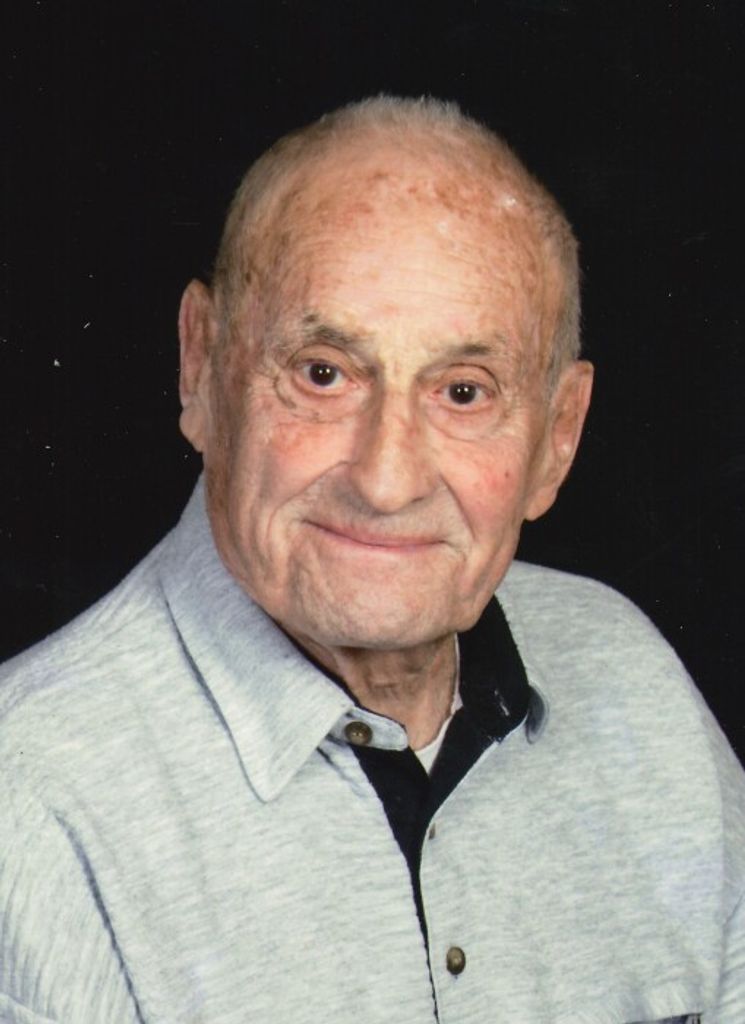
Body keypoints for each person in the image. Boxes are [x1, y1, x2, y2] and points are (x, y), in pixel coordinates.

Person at [0, 96, 742, 1024]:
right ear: (201, 367)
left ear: (557, 438)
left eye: (463, 392)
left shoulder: (629, 675)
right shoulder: (29, 809)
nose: (386, 482)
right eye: (323, 374)